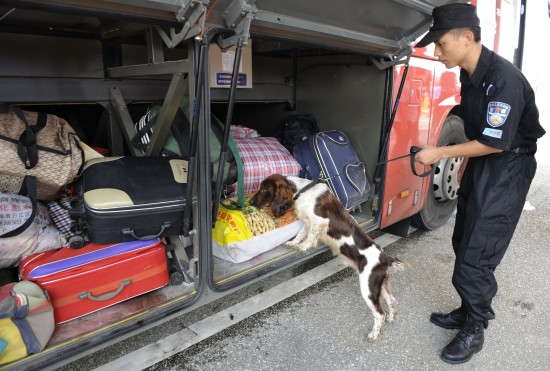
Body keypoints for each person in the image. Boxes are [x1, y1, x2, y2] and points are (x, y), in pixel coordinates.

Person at [414, 3, 545, 365]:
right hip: (486, 162)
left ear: (466, 37)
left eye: (440, 44)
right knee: (463, 238)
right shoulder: (469, 75)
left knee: (478, 251)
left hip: (509, 167)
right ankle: (467, 308)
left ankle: (476, 327)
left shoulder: (502, 79)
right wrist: (465, 163)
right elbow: (481, 131)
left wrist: (439, 153)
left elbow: (497, 140)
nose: (436, 52)